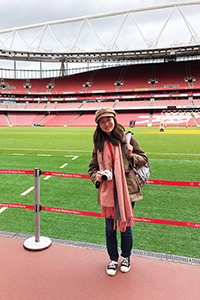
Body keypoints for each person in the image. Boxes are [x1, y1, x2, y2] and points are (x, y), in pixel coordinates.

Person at [88, 108, 148, 276]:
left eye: (109, 120)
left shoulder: (127, 137)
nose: (106, 124)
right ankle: (113, 259)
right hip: (107, 191)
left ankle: (126, 257)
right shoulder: (98, 144)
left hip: (126, 190)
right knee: (109, 229)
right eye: (102, 122)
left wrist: (131, 155)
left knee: (125, 228)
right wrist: (97, 177)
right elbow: (92, 168)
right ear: (98, 125)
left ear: (114, 119)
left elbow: (143, 158)